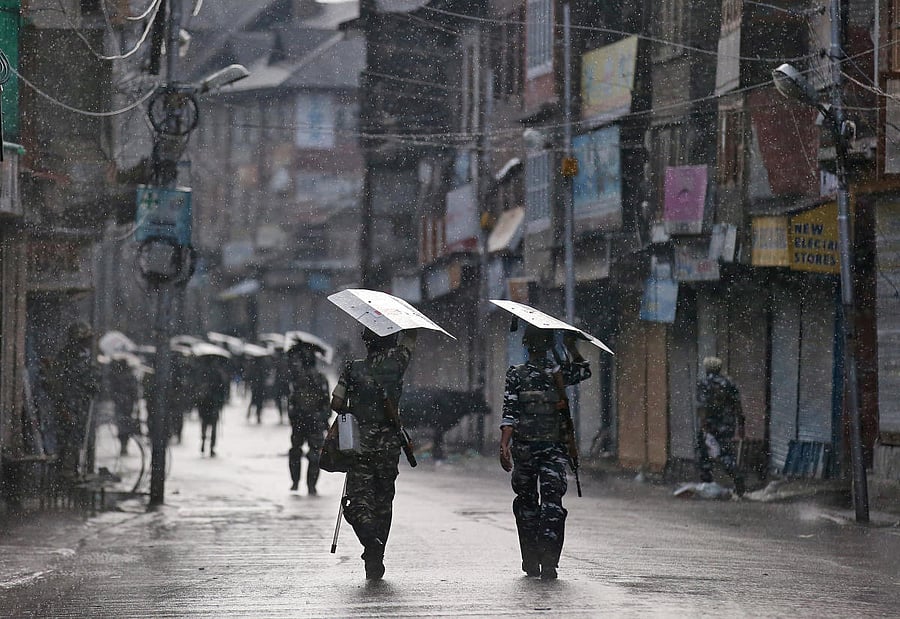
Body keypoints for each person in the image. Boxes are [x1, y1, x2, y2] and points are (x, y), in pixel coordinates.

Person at [499, 326, 591, 580]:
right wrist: (571, 346)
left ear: (526, 345)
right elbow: (585, 369)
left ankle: (531, 560)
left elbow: (510, 413)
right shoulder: (559, 373)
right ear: (550, 345)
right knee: (552, 505)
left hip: (525, 449)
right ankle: (548, 562)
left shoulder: (516, 375)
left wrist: (504, 445)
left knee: (527, 505)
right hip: (553, 451)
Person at [329, 328, 417, 580]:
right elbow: (410, 340)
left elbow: (336, 403)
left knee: (358, 501)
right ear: (390, 342)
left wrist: (356, 408)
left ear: (366, 343)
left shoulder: (352, 369)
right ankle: (376, 555)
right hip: (389, 445)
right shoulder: (398, 363)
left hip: (358, 444)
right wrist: (406, 325)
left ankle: (370, 541)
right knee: (383, 501)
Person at [42, 321, 100, 478]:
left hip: (77, 404)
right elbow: (68, 380)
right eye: (87, 338)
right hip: (69, 404)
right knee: (69, 439)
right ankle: (66, 474)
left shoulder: (81, 354)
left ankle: (71, 471)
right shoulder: (70, 356)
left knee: (75, 438)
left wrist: (92, 382)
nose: (90, 342)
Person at [696, 356, 746, 497]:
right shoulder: (729, 383)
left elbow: (703, 406)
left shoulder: (704, 383)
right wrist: (741, 424)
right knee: (725, 453)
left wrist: (703, 424)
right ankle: (736, 475)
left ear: (707, 368)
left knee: (704, 451)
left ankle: (707, 483)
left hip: (710, 425)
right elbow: (738, 405)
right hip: (727, 425)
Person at [286, 342, 330, 494]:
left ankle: (296, 482)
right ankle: (311, 485)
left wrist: (293, 417)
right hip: (314, 421)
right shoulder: (320, 378)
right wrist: (323, 418)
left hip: (300, 421)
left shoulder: (297, 378)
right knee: (314, 454)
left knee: (296, 452)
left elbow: (291, 400)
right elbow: (326, 403)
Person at [196, 355, 232, 457]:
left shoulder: (202, 373)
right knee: (212, 426)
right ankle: (211, 447)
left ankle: (204, 443)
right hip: (212, 403)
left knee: (205, 425)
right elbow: (223, 390)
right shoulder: (218, 373)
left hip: (205, 403)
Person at [109, 358, 139, 455]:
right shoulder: (130, 377)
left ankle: (123, 445)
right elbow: (135, 392)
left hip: (121, 405)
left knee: (121, 425)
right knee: (126, 425)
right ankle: (124, 445)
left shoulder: (117, 377)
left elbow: (112, 391)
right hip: (127, 405)